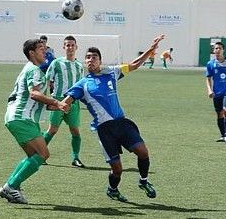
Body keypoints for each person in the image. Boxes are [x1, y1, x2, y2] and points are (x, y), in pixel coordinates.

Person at [62, 34, 165, 202]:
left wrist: (151, 49)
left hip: (121, 123)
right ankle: (113, 190)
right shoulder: (82, 84)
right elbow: (66, 102)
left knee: (143, 152)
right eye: (88, 58)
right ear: (85, 62)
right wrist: (58, 105)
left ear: (100, 61)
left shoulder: (111, 73)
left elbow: (134, 65)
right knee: (117, 169)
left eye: (94, 57)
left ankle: (143, 181)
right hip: (104, 129)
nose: (90, 60)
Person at [0, 38, 69, 204]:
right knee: (43, 154)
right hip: (22, 118)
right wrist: (56, 102)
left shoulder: (31, 69)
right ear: (32, 53)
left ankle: (11, 187)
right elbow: (34, 94)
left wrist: (57, 106)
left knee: (33, 156)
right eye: (41, 49)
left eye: (45, 49)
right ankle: (11, 186)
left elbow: (37, 100)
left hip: (18, 117)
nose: (46, 51)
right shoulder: (35, 70)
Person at [43, 35, 86, 168]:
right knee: (52, 130)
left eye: (72, 45)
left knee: (75, 131)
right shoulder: (56, 63)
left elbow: (82, 85)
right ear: (64, 47)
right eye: (67, 45)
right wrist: (46, 99)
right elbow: (47, 80)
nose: (70, 47)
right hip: (58, 100)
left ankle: (76, 158)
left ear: (76, 47)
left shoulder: (79, 66)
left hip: (73, 102)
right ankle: (39, 154)